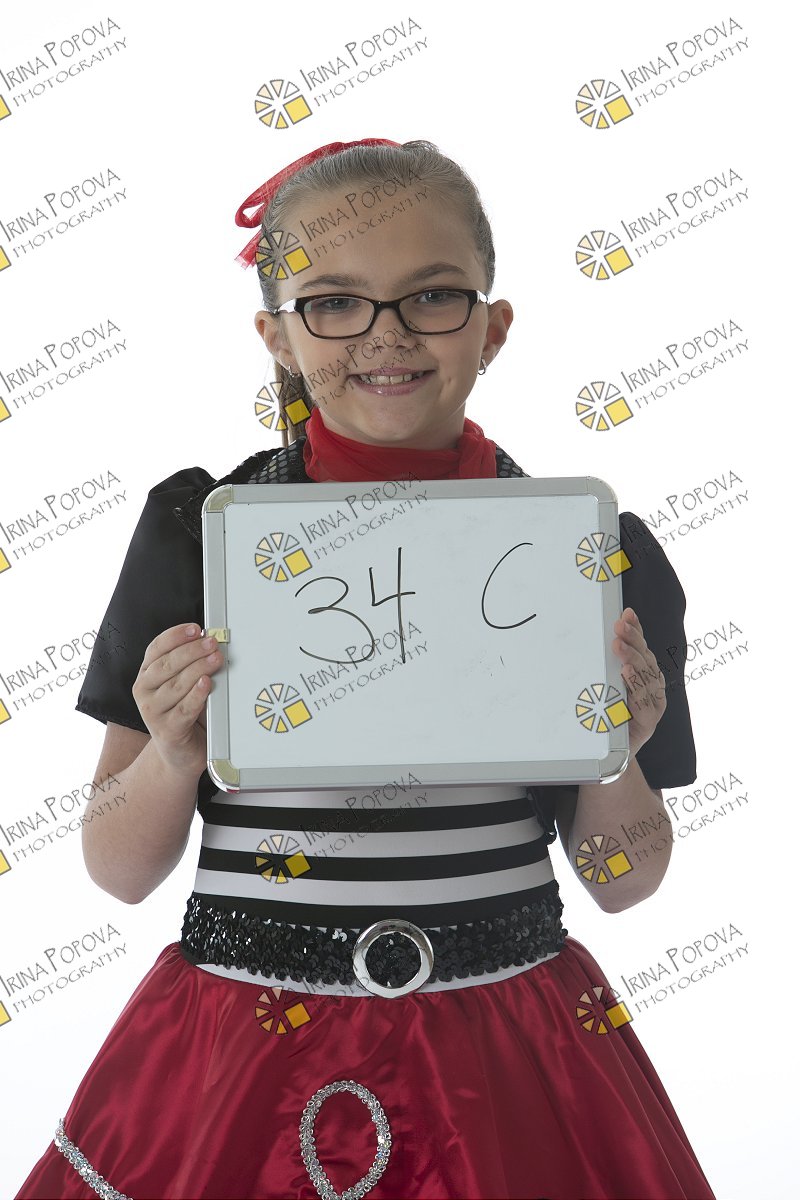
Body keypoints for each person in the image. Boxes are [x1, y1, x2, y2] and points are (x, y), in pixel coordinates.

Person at [15, 138, 716, 1200]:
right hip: (244, 1042)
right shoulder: (199, 537)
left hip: (505, 1049)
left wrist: (614, 754)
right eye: (335, 303)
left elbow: (625, 881)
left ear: (492, 326)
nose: (386, 334)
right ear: (278, 335)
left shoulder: (589, 555)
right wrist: (171, 752)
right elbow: (117, 869)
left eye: (431, 296)